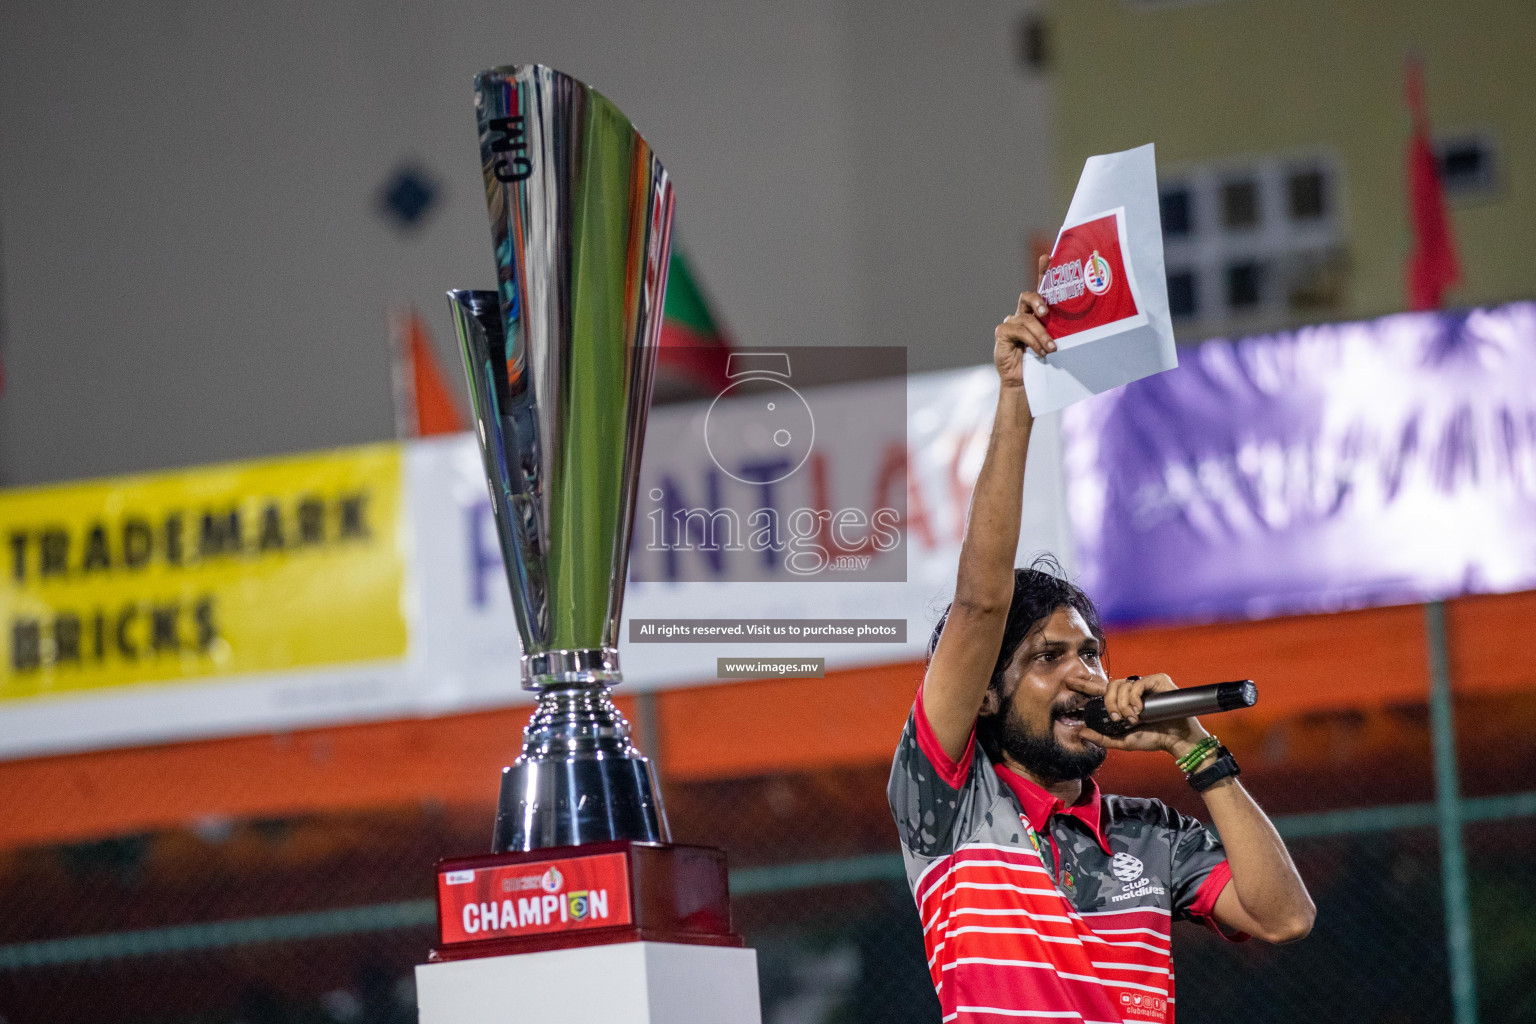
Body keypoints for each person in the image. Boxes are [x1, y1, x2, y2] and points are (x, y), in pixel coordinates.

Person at [888, 261, 1315, 1024]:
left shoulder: (1147, 832)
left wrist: (1198, 751)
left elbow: (1284, 918)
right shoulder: (947, 802)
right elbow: (982, 604)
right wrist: (1017, 399)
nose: (1084, 675)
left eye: (1089, 653)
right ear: (987, 691)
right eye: (1047, 658)